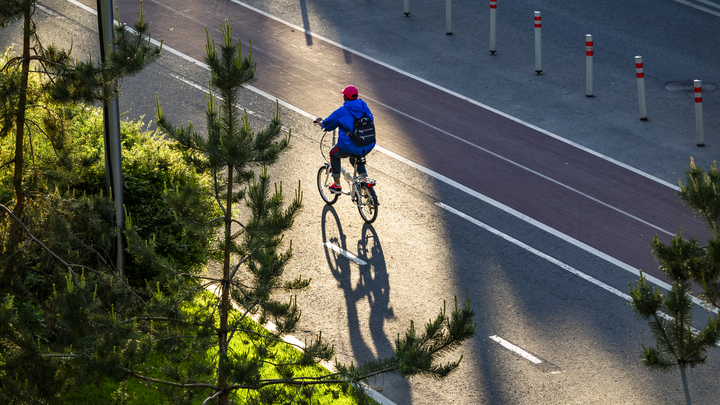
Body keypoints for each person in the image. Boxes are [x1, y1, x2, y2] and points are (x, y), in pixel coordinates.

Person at [314, 85, 375, 194]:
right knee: (356, 156)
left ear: (344, 98)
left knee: (333, 153)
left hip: (349, 146)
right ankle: (365, 183)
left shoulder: (342, 111)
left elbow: (328, 124)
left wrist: (320, 122)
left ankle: (337, 185)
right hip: (368, 143)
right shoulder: (364, 105)